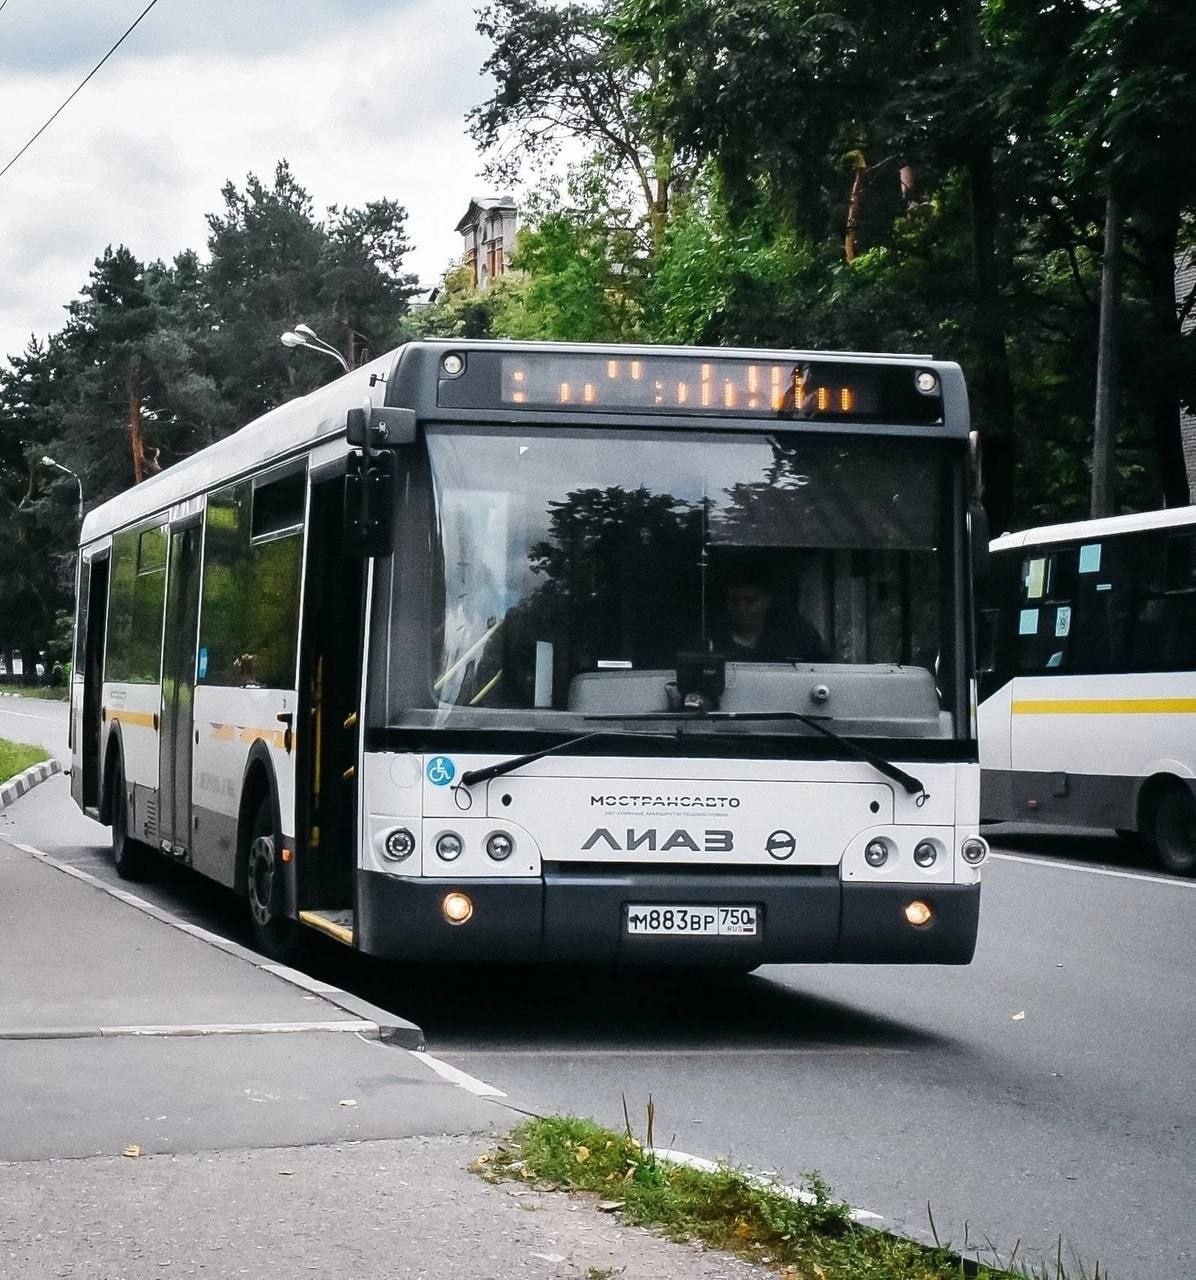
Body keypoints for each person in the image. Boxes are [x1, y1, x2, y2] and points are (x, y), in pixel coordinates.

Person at [710, 569, 829, 662]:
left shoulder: (795, 632)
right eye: (734, 601)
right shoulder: (712, 636)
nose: (742, 608)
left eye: (750, 601)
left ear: (767, 600)